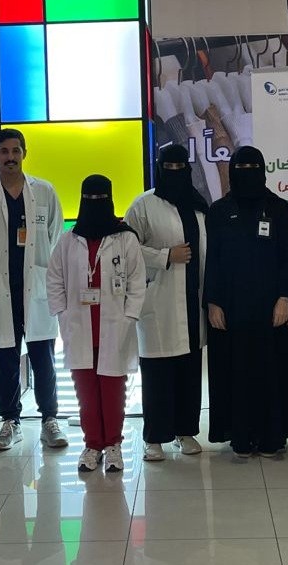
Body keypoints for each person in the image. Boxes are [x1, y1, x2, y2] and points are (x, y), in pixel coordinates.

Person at [0, 128, 67, 451]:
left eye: (16, 151)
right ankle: (10, 421)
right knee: (7, 359)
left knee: (43, 358)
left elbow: (54, 236)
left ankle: (50, 419)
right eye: (4, 151)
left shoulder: (44, 191)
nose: (10, 157)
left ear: (24, 153)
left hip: (36, 287)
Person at [204, 146, 288, 458]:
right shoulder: (219, 210)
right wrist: (213, 302)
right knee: (236, 371)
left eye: (253, 168)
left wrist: (285, 298)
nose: (246, 174)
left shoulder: (277, 207)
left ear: (262, 171)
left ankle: (272, 437)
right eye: (241, 168)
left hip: (271, 307)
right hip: (232, 307)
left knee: (271, 371)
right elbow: (213, 260)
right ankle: (240, 437)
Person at [47, 175, 145, 472]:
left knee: (113, 390)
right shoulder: (68, 240)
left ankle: (113, 444)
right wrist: (63, 314)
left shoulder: (125, 238)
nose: (95, 204)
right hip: (79, 327)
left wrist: (129, 317)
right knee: (86, 392)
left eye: (100, 199)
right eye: (90, 199)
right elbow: (54, 279)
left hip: (115, 326)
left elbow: (137, 282)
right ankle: (92, 445)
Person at [124, 144, 208, 461]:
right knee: (158, 373)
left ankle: (185, 432)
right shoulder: (143, 205)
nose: (174, 173)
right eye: (168, 168)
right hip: (158, 300)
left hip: (193, 297)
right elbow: (127, 248)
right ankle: (155, 438)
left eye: (180, 167)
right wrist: (164, 256)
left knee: (189, 369)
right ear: (159, 168)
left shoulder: (199, 206)